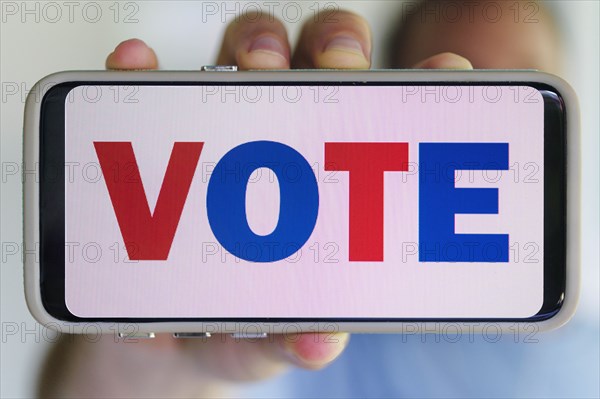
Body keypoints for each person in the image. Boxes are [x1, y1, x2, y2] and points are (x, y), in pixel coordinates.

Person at [40, 2, 597, 398]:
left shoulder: (585, 354)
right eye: (467, 86)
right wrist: (148, 355)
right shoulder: (302, 310)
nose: (487, 117)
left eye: (517, 84)